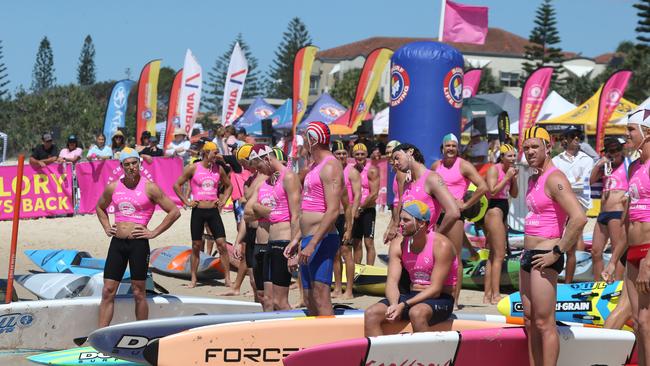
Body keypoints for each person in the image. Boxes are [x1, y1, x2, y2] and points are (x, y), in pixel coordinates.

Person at [520, 126, 587, 366]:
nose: (529, 152)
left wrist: (556, 251)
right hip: (529, 254)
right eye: (526, 148)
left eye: (535, 146)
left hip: (545, 254)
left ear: (548, 147)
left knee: (543, 323)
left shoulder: (555, 177)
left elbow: (579, 217)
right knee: (529, 321)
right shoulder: (533, 178)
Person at [96, 148, 180, 327]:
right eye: (127, 164)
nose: (131, 167)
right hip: (117, 243)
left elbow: (174, 211)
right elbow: (100, 207)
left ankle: (141, 332)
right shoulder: (113, 187)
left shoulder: (150, 187)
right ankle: (100, 334)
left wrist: (154, 232)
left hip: (139, 245)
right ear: (122, 167)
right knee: (108, 290)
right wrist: (105, 227)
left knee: (138, 292)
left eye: (134, 163)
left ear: (139, 164)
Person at [364, 200, 457, 336]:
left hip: (440, 298)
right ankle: (379, 357)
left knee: (417, 313)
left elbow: (436, 290)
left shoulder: (442, 245)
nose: (401, 224)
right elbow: (392, 282)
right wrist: (395, 304)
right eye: (401, 219)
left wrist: (404, 305)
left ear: (422, 223)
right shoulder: (398, 244)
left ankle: (426, 357)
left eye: (406, 220)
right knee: (371, 313)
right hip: (411, 296)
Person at [285, 121, 343, 316]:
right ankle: (315, 340)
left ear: (313, 140)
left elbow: (333, 210)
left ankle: (333, 343)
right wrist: (297, 240)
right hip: (310, 238)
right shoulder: (315, 167)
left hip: (322, 239)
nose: (305, 145)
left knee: (320, 293)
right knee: (309, 296)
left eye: (307, 140)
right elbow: (308, 208)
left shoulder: (330, 166)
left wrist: (312, 244)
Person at [431, 133, 488, 307]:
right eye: (447, 146)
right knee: (435, 256)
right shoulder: (435, 166)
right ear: (442, 148)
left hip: (455, 214)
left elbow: (483, 187)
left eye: (453, 146)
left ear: (457, 148)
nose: (450, 149)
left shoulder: (463, 165)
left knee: (455, 258)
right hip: (437, 215)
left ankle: (454, 299)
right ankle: (438, 292)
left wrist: (466, 204)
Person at [246, 145, 301, 310]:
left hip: (284, 243)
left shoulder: (289, 176)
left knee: (280, 301)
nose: (260, 171)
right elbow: (248, 212)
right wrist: (259, 209)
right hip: (271, 241)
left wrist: (293, 247)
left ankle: (295, 335)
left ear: (267, 159)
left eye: (260, 167)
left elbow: (297, 215)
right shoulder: (272, 180)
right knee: (268, 299)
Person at [173, 142, 233, 288]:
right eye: (215, 152)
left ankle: (227, 278)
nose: (217, 155)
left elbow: (229, 185)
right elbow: (176, 185)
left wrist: (224, 200)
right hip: (198, 210)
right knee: (196, 245)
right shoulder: (193, 167)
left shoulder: (218, 169)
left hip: (213, 210)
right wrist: (186, 202)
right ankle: (193, 279)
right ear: (206, 153)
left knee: (222, 245)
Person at [620, 108, 650, 365]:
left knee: (648, 323)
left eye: (631, 129)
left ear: (647, 132)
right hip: (632, 250)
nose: (626, 134)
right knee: (639, 323)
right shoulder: (634, 168)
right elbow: (629, 216)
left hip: (648, 251)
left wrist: (648, 261)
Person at [223, 144, 265, 298]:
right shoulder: (250, 179)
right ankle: (256, 302)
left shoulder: (266, 179)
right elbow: (246, 216)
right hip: (249, 228)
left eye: (244, 163)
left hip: (262, 231)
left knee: (261, 280)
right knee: (254, 280)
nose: (243, 166)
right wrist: (237, 240)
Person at [483, 144, 519, 304]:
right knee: (498, 255)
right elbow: (491, 191)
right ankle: (495, 295)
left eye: (514, 156)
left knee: (493, 255)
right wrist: (506, 178)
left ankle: (487, 295)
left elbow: (514, 194)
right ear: (502, 157)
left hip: (503, 209)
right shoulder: (494, 169)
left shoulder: (510, 171)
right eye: (509, 156)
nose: (512, 159)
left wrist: (513, 180)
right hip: (494, 210)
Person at [590, 137, 629, 281]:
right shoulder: (605, 166)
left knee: (616, 251)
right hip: (603, 211)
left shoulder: (628, 164)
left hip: (618, 211)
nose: (615, 153)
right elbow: (591, 181)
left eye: (618, 150)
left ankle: (617, 285)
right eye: (612, 151)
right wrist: (598, 164)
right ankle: (598, 284)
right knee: (595, 251)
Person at [331, 140, 360, 300]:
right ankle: (337, 288)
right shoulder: (332, 171)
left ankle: (349, 289)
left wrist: (351, 219)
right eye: (338, 153)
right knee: (335, 253)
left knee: (346, 252)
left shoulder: (352, 172)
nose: (341, 156)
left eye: (344, 153)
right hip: (333, 216)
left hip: (346, 216)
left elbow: (357, 196)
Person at [351, 143, 380, 265]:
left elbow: (374, 194)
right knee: (356, 243)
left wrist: (361, 208)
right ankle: (357, 269)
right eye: (357, 154)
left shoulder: (371, 170)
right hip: (355, 210)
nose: (360, 156)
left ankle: (369, 270)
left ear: (366, 155)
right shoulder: (352, 170)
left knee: (369, 242)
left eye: (362, 154)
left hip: (367, 210)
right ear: (353, 155)